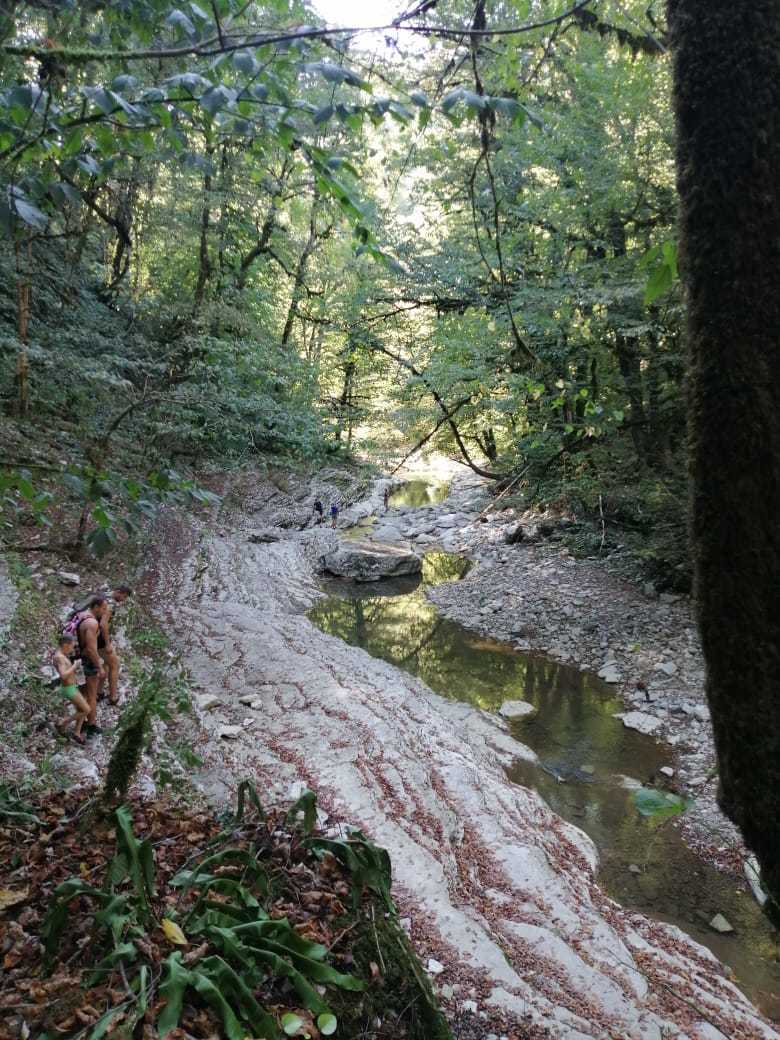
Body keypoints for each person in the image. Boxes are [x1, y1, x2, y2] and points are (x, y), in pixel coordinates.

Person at [65, 594, 109, 736]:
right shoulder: (92, 623)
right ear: (95, 607)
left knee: (84, 693)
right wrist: (100, 667)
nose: (104, 611)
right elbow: (91, 649)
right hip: (87, 661)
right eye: (103, 608)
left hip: (77, 658)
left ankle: (81, 722)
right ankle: (90, 724)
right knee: (92, 694)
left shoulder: (81, 615)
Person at [98, 584, 133, 706]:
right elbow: (103, 624)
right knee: (115, 664)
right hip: (99, 640)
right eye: (124, 596)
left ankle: (99, 692)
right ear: (118, 592)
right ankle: (113, 697)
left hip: (92, 635)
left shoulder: (103, 594)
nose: (123, 600)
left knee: (107, 664)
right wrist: (107, 644)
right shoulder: (110, 604)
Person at [53, 632, 89, 745]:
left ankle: (77, 733)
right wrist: (75, 666)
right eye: (72, 646)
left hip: (72, 687)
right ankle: (63, 722)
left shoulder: (62, 656)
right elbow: (63, 675)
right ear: (65, 645)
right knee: (86, 710)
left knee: (82, 709)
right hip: (69, 689)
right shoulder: (59, 658)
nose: (72, 649)